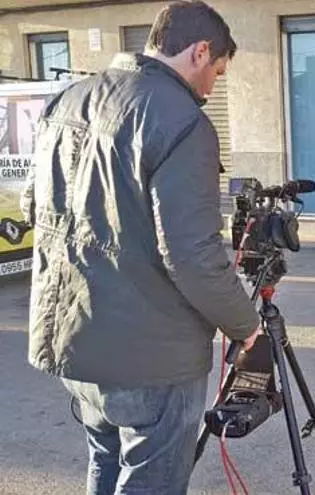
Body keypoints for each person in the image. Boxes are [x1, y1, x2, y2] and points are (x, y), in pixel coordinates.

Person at [20, 2, 260, 493]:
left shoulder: (67, 101)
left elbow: (34, 208)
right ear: (200, 51)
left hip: (74, 342)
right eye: (216, 72)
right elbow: (192, 255)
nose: (211, 88)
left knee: (105, 462)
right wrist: (246, 325)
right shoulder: (183, 122)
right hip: (152, 362)